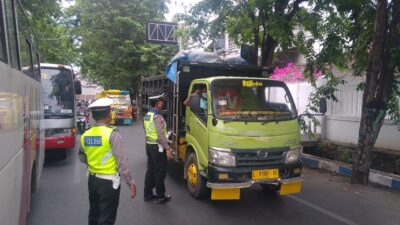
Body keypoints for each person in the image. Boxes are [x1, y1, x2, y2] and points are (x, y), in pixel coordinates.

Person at [79, 98, 136, 225]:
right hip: (108, 183)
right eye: (110, 111)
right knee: (107, 218)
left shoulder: (86, 134)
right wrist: (130, 182)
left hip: (93, 180)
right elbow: (122, 161)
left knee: (94, 214)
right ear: (107, 115)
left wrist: (95, 163)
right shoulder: (112, 134)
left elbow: (82, 157)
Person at [143, 94, 174, 204]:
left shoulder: (147, 115)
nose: (163, 104)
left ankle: (147, 194)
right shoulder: (158, 116)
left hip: (149, 146)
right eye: (161, 102)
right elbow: (160, 134)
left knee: (150, 171)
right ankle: (160, 196)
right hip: (158, 147)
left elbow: (146, 130)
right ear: (158, 104)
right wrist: (167, 149)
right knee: (160, 172)